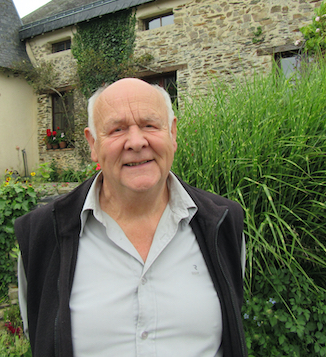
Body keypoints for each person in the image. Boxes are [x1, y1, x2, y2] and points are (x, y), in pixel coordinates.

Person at [14, 78, 247, 357]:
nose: (136, 142)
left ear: (172, 134)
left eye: (150, 125)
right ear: (92, 144)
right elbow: (40, 335)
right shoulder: (44, 234)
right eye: (117, 129)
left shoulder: (222, 223)